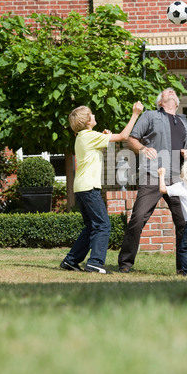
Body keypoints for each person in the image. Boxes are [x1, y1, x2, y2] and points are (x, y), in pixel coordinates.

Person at [60, 101, 144, 274]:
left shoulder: (83, 137)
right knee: (103, 225)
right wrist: (135, 114)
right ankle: (95, 263)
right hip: (89, 188)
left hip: (81, 188)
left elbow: (95, 151)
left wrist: (104, 136)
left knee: (91, 226)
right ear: (87, 121)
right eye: (91, 114)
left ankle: (71, 261)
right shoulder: (89, 136)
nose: (94, 116)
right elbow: (123, 136)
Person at [118, 88, 187, 273]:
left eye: (173, 91)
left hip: (176, 178)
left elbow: (184, 148)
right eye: (167, 91)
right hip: (152, 174)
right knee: (138, 218)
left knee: (183, 223)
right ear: (161, 102)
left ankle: (184, 268)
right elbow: (132, 140)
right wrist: (142, 149)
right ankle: (125, 264)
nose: (172, 91)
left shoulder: (183, 122)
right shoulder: (150, 116)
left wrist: (186, 154)